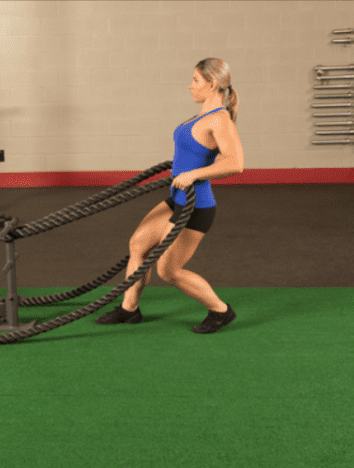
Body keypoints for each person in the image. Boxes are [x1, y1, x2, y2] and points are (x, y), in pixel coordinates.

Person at [96, 58, 245, 334]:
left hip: (195, 206)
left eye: (196, 80)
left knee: (169, 271)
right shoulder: (201, 116)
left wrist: (194, 174)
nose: (190, 86)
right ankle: (129, 309)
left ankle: (220, 310)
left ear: (212, 84)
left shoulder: (219, 119)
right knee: (138, 244)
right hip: (176, 198)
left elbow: (235, 163)